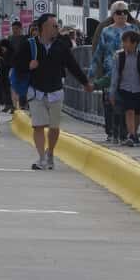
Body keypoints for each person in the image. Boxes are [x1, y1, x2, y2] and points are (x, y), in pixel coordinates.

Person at [27, 13, 93, 170]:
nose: (57, 29)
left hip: (55, 91)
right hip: (36, 91)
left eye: (57, 26)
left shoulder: (61, 46)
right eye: (54, 26)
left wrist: (85, 83)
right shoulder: (30, 45)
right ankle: (42, 158)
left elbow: (73, 65)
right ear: (43, 28)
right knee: (38, 126)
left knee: (54, 127)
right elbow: (17, 65)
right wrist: (28, 66)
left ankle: (50, 153)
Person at [89, 1, 140, 144]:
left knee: (126, 104)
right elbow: (98, 51)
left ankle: (126, 134)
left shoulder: (133, 29)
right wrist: (92, 72)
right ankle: (112, 132)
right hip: (109, 71)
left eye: (125, 12)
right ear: (113, 15)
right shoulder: (106, 30)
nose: (122, 15)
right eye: (119, 13)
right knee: (110, 102)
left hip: (129, 72)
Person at [109, 30, 140, 147]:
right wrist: (112, 93)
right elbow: (114, 75)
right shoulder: (119, 56)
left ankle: (133, 134)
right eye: (123, 42)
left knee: (137, 113)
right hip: (124, 88)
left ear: (135, 44)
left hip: (139, 88)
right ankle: (132, 135)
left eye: (127, 42)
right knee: (129, 111)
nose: (124, 44)